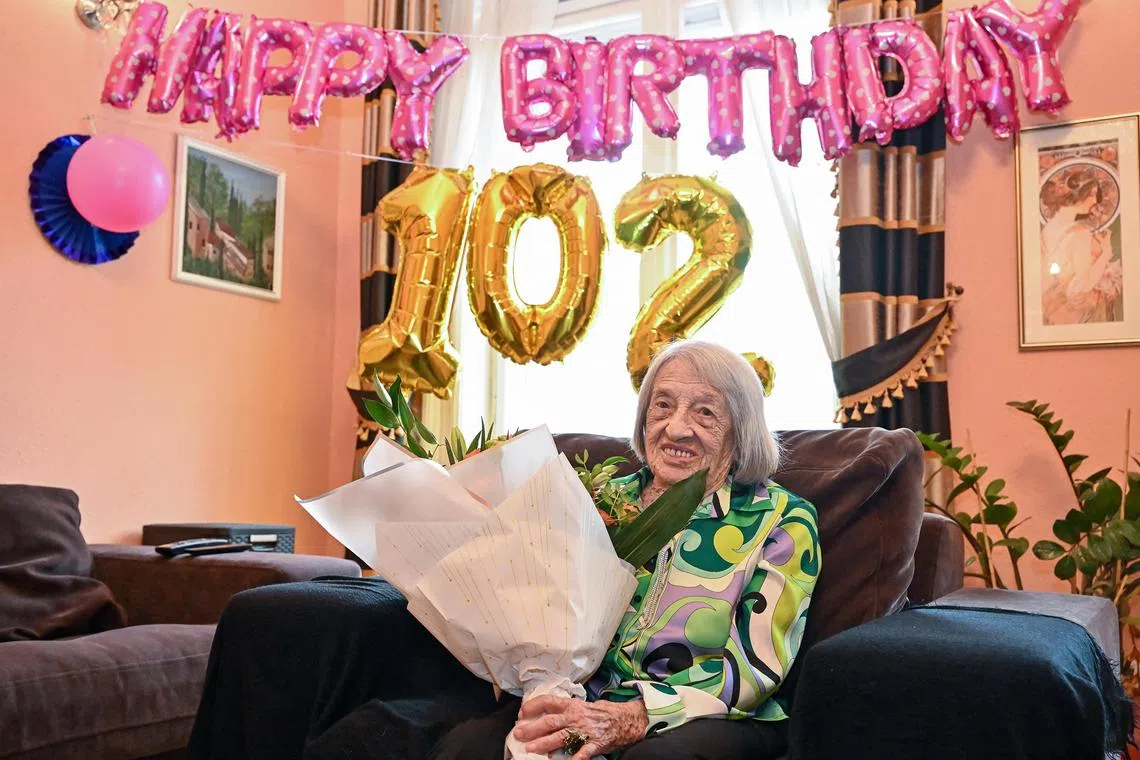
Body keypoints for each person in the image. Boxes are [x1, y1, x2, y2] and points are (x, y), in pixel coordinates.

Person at [189, 340, 820, 760]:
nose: (677, 427)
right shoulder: (596, 493)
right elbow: (526, 595)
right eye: (663, 405)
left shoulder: (782, 520)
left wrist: (627, 717)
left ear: (741, 431)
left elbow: (754, 671)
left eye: (705, 413)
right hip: (563, 695)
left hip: (698, 717)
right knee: (434, 740)